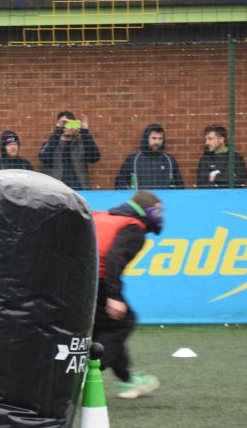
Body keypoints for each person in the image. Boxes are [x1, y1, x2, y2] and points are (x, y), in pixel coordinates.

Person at [92, 191, 164, 400]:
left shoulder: (102, 216)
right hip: (98, 282)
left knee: (105, 330)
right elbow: (114, 260)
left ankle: (128, 381)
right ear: (147, 210)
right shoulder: (133, 229)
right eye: (158, 210)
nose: (160, 215)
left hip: (77, 280)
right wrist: (115, 296)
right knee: (122, 323)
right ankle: (83, 376)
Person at [37, 111, 101, 189]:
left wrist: (85, 132)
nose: (67, 127)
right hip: (56, 191)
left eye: (70, 124)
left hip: (80, 191)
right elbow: (45, 158)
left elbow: (94, 158)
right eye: (64, 124)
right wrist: (58, 131)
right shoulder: (51, 143)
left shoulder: (81, 144)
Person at [115, 123, 184, 190]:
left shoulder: (170, 160)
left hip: (163, 201)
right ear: (146, 138)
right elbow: (120, 185)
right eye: (154, 138)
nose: (157, 142)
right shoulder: (132, 160)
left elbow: (180, 186)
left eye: (160, 139)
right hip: (140, 201)